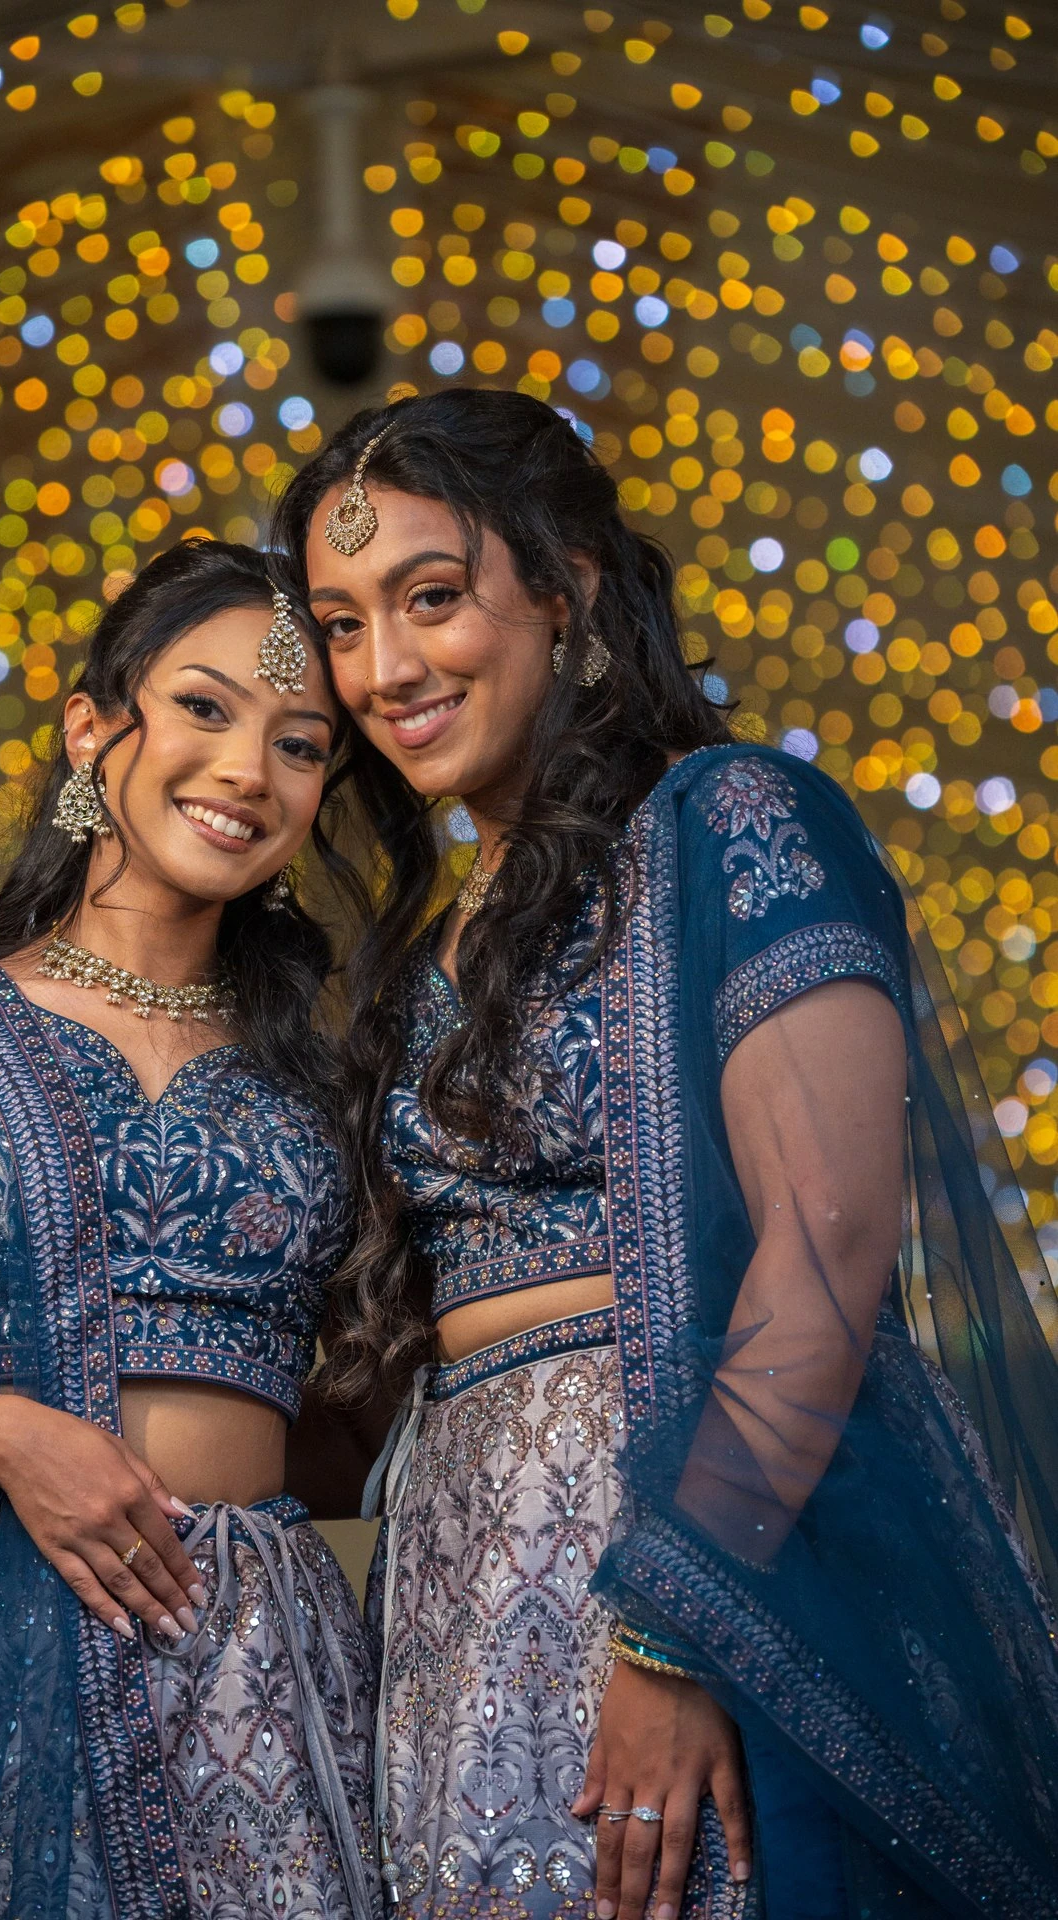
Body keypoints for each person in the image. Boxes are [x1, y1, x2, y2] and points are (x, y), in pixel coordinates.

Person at [272, 389, 1058, 1920]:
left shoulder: (734, 822)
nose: (383, 670)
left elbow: (822, 1253)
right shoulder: (428, 943)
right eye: (342, 625)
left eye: (431, 600)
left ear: (565, 592)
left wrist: (680, 1628)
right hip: (458, 1589)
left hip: (695, 1564)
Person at [0, 539, 381, 1920]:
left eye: (302, 745)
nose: (248, 771)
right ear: (91, 727)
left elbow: (365, 1409)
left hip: (268, 1671)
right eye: (205, 708)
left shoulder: (333, 1073)